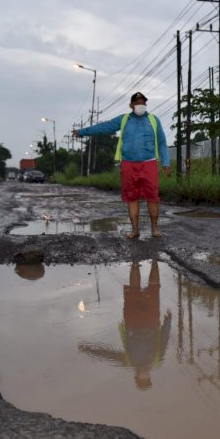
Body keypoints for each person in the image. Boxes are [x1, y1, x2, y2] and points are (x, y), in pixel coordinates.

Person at [73, 92, 171, 238]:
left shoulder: (153, 120)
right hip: (129, 164)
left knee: (153, 197)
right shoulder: (124, 120)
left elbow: (162, 143)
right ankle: (135, 230)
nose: (141, 105)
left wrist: (166, 162)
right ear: (131, 105)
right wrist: (82, 132)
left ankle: (155, 228)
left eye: (143, 103)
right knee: (132, 198)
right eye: (138, 102)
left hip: (149, 164)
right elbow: (104, 127)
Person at [77, 260, 171, 390]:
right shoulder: (156, 359)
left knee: (133, 290)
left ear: (136, 375)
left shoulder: (128, 361)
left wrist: (88, 349)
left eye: (142, 377)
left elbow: (108, 354)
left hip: (132, 321)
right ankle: (155, 261)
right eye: (147, 377)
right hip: (151, 320)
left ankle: (135, 263)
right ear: (149, 376)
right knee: (154, 288)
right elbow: (164, 339)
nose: (145, 373)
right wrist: (168, 321)